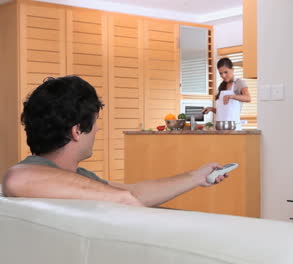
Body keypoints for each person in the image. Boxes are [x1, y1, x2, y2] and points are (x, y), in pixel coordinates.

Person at [1, 76, 228, 207]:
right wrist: (121, 199)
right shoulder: (29, 174)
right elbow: (17, 179)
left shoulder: (76, 178)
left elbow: (133, 192)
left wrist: (195, 177)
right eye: (95, 122)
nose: (98, 129)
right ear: (77, 131)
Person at [203, 58, 251, 129]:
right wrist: (211, 109)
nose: (223, 76)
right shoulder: (222, 86)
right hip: (220, 127)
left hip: (234, 128)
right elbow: (224, 111)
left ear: (232, 69)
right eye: (220, 73)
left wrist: (231, 96)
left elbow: (248, 98)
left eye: (226, 72)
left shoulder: (239, 82)